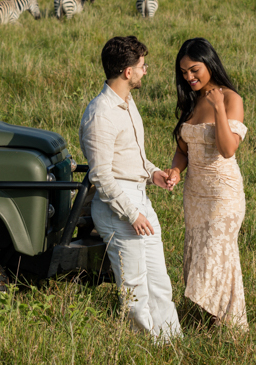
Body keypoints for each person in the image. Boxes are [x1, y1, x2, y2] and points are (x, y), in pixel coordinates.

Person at [79, 35, 182, 342]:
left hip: (139, 197)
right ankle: (149, 345)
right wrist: (132, 213)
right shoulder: (101, 114)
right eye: (141, 66)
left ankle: (172, 342)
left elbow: (131, 157)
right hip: (117, 207)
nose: (145, 71)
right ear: (127, 72)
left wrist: (154, 174)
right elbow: (101, 177)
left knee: (158, 279)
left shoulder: (127, 104)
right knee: (134, 285)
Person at [162, 37, 249, 330]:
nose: (189, 77)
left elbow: (227, 149)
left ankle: (229, 326)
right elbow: (183, 149)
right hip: (195, 195)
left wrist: (220, 108)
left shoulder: (231, 99)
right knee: (202, 253)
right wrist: (175, 171)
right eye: (184, 72)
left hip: (223, 194)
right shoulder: (190, 101)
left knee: (219, 255)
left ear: (210, 64)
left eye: (194, 69)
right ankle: (215, 319)